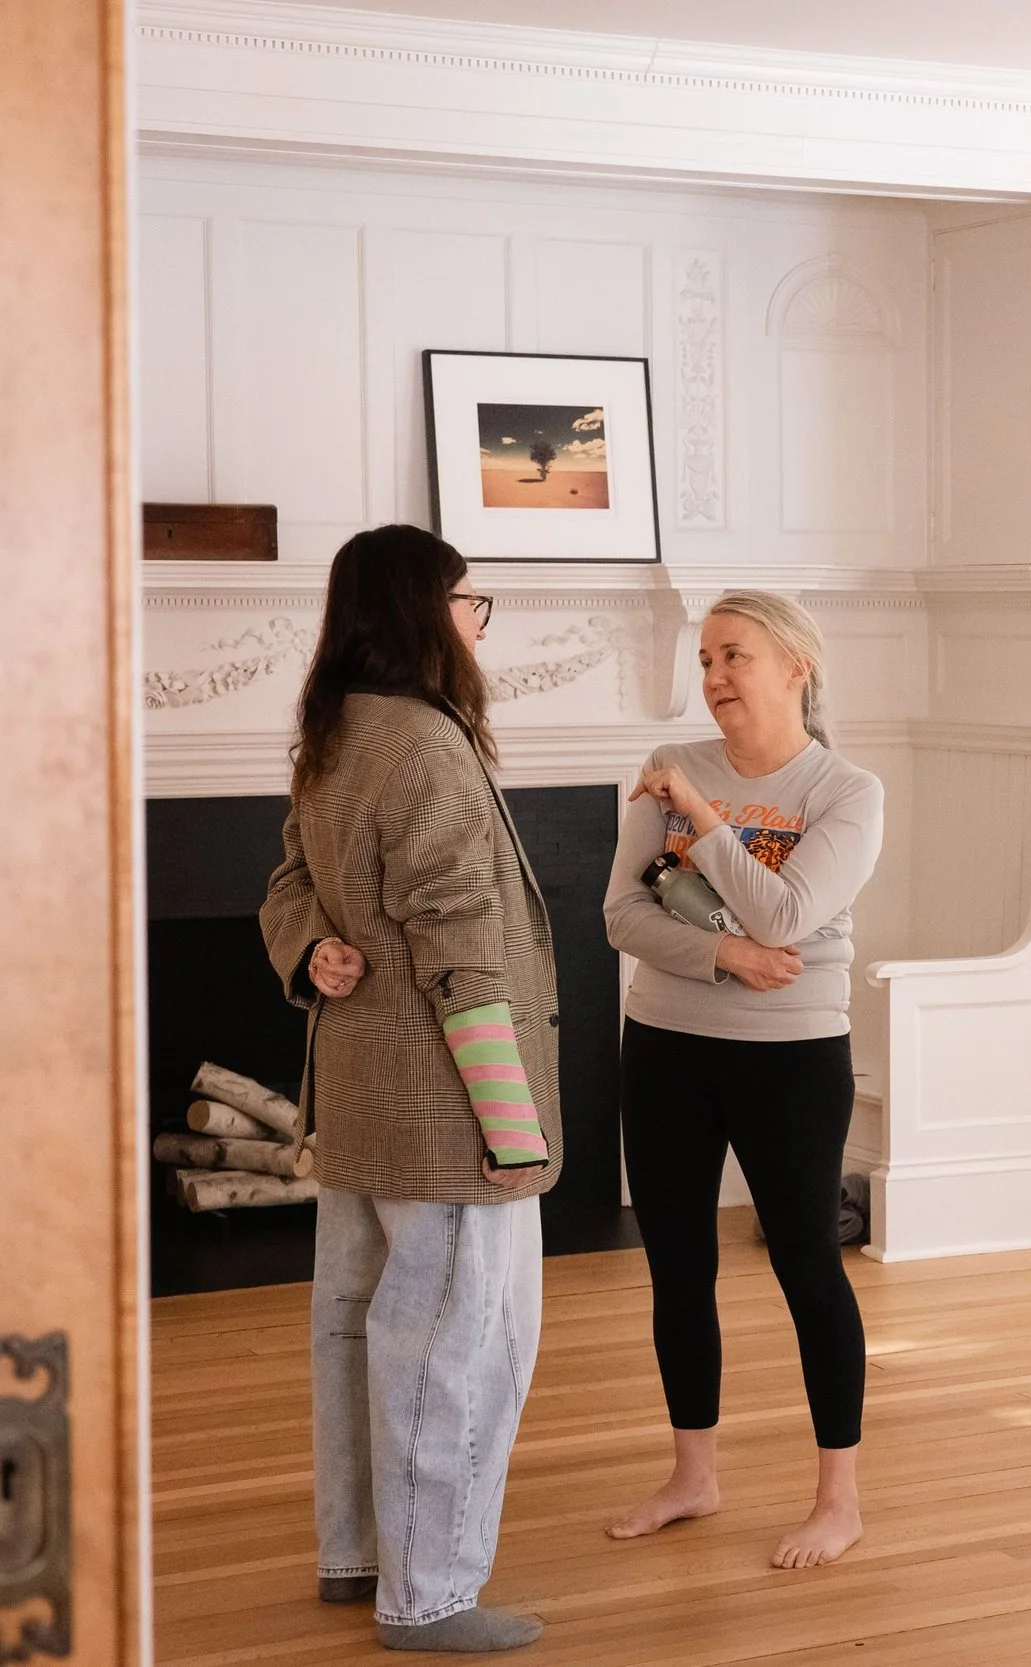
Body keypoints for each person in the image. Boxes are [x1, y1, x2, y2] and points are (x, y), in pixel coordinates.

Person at [260, 524, 558, 1653]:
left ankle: (358, 1553)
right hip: (440, 1105)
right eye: (470, 602)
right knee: (458, 1337)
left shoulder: (335, 734)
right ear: (422, 612)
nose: (478, 624)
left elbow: (290, 880)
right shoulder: (425, 747)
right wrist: (510, 1121)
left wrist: (310, 948)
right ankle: (427, 1593)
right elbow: (461, 950)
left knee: (354, 1320)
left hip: (358, 1089)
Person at [601, 591, 885, 1569]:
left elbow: (785, 914)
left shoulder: (846, 790)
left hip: (795, 1057)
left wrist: (700, 816)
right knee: (678, 1261)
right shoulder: (670, 768)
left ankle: (838, 1498)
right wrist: (722, 957)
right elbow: (621, 919)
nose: (715, 676)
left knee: (807, 1263)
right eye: (707, 657)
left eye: (736, 656)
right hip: (666, 1041)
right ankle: (693, 1473)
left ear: (795, 664)